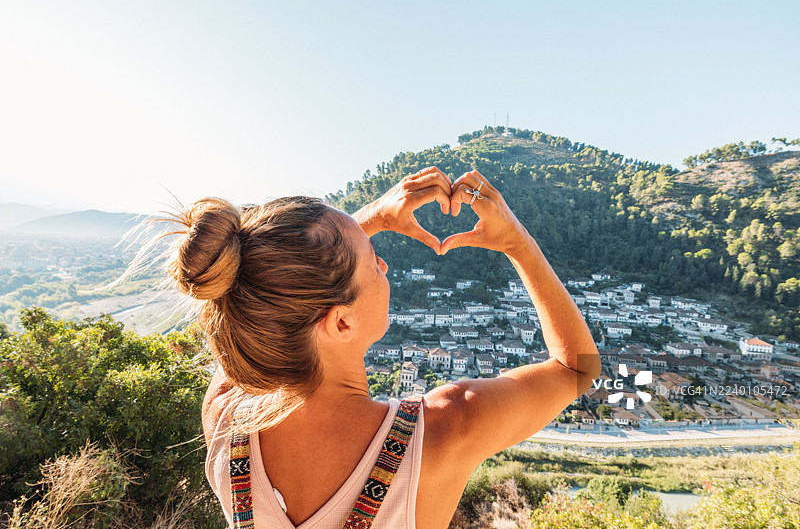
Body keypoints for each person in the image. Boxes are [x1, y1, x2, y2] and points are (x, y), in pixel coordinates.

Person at [168, 167, 601, 528]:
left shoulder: (224, 416)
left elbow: (259, 306)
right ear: (341, 322)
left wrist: (358, 228)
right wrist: (516, 242)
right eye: (371, 261)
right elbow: (578, 367)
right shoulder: (444, 430)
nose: (384, 264)